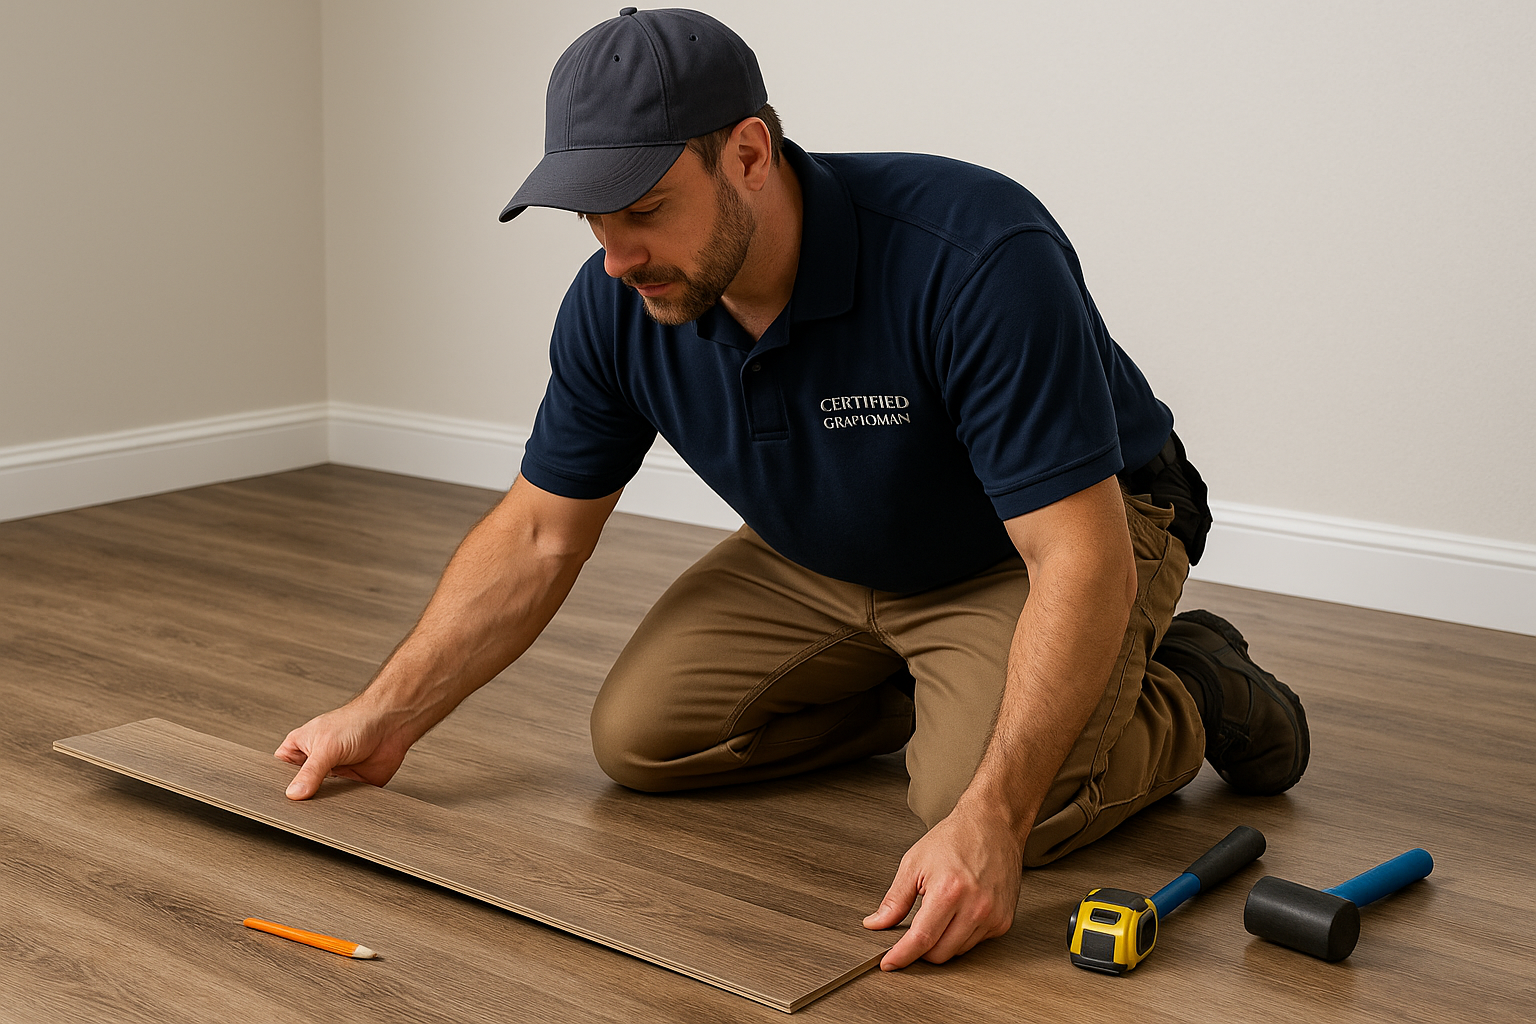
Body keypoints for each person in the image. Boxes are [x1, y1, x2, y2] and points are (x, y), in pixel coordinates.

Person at [276, 7, 1309, 972]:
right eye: (594, 219)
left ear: (751, 155)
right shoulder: (621, 303)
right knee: (641, 739)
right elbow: (540, 532)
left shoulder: (976, 253)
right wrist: (385, 715)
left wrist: (986, 817)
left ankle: (1193, 684)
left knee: (991, 804)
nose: (618, 255)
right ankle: (949, 684)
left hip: (1049, 537)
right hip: (828, 546)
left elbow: (1076, 558)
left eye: (644, 210)